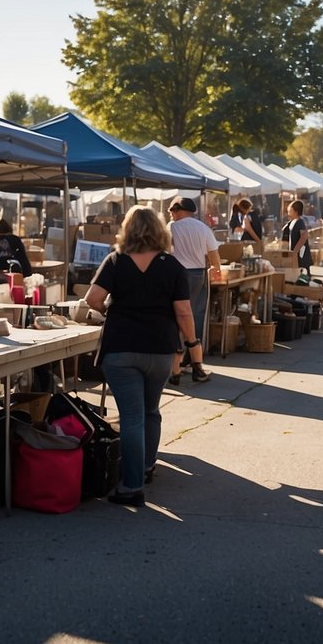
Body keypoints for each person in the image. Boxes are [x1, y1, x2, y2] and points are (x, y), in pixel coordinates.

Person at [86, 206, 204, 507]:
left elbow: (93, 299)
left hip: (122, 348)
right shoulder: (172, 266)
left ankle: (132, 485)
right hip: (160, 349)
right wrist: (192, 343)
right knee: (150, 411)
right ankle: (147, 467)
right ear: (160, 231)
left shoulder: (116, 261)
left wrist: (108, 310)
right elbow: (183, 310)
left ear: (127, 230)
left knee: (132, 417)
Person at [167, 196, 219, 383]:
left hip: (176, 275)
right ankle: (192, 362)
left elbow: (164, 251)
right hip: (198, 275)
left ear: (179, 210)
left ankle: (176, 366)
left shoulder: (172, 227)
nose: (171, 215)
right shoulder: (203, 228)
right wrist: (217, 271)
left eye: (172, 211)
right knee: (194, 315)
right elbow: (214, 255)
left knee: (175, 317)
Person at [285, 200, 313, 275]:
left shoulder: (300, 221)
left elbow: (304, 236)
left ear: (296, 211)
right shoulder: (293, 221)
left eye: (290, 211)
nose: (288, 214)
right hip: (296, 254)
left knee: (304, 275)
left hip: (301, 254)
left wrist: (295, 251)